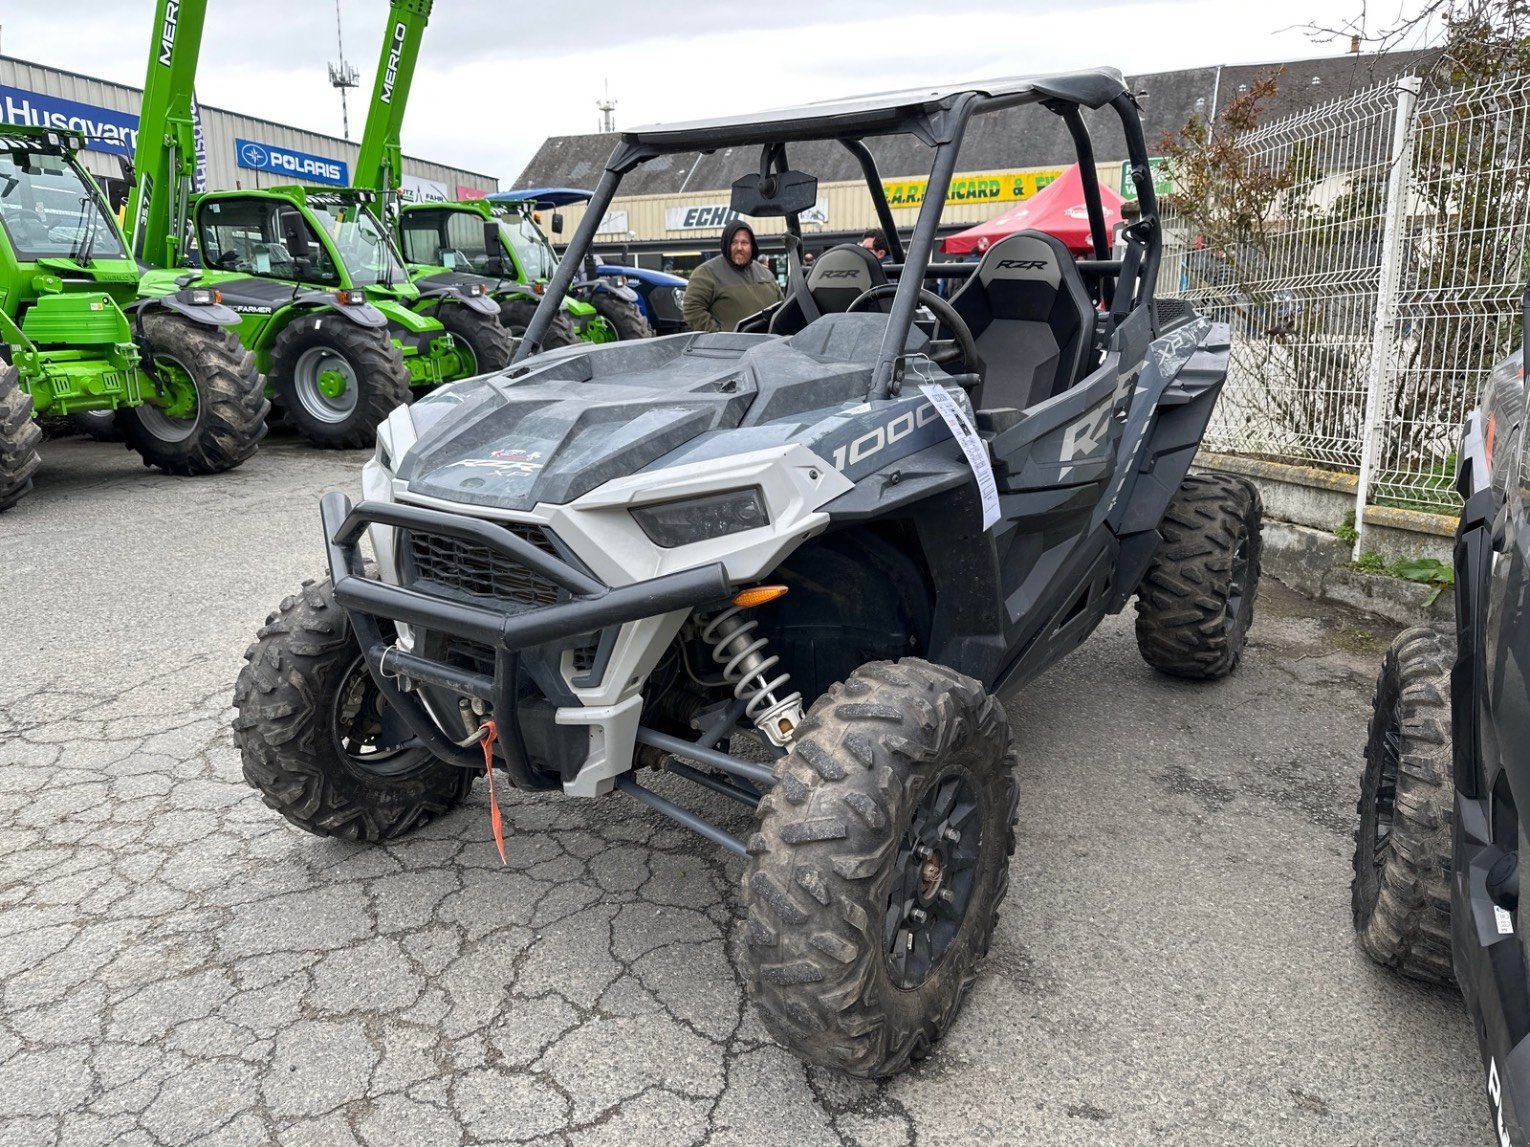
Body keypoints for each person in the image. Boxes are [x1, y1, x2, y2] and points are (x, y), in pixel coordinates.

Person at [682, 220, 783, 332]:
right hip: (730, 348)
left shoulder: (765, 274)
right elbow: (692, 310)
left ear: (752, 246)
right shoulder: (706, 273)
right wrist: (719, 335)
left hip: (768, 346)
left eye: (744, 243)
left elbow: (781, 307)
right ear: (726, 244)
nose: (739, 248)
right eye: (733, 242)